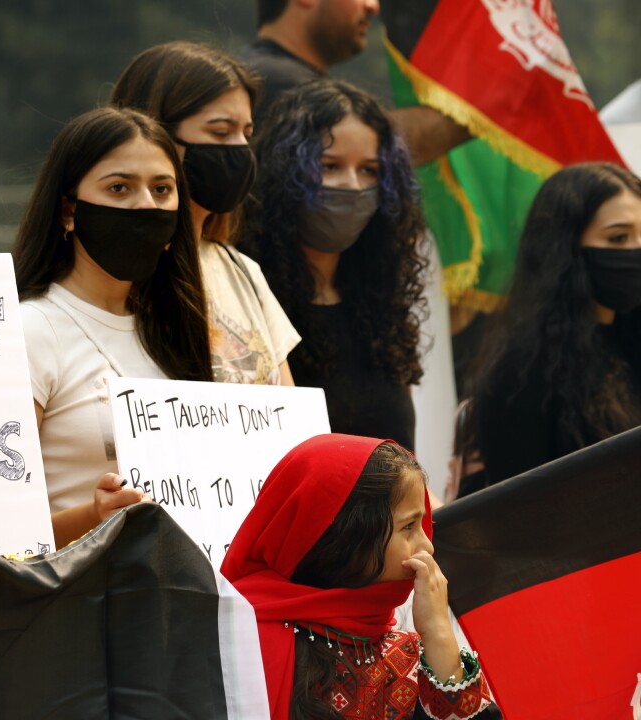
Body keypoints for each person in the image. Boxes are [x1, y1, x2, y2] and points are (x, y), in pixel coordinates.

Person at [13, 107, 212, 547]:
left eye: (162, 189)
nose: (146, 204)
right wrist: (94, 514)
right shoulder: (30, 330)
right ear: (68, 210)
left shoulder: (175, 332)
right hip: (71, 602)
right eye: (119, 188)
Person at [221, 434, 492, 719]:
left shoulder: (404, 656)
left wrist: (438, 632)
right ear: (348, 539)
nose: (428, 546)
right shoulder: (241, 642)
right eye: (409, 526)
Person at [246, 79, 427, 450]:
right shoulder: (246, 296)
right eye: (329, 166)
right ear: (285, 174)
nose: (352, 185)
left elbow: (407, 461)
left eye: (370, 171)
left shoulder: (381, 305)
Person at [111, 41, 300, 386]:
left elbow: (293, 415)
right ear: (153, 135)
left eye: (247, 133)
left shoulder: (243, 272)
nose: (241, 150)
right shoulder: (113, 272)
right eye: (220, 132)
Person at [472, 163, 641, 486]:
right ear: (566, 250)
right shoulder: (522, 369)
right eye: (618, 237)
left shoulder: (630, 336)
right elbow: (516, 507)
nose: (636, 249)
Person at [242, 0, 469, 168]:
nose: (373, 6)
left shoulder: (261, 72)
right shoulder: (275, 80)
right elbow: (370, 145)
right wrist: (482, 106)